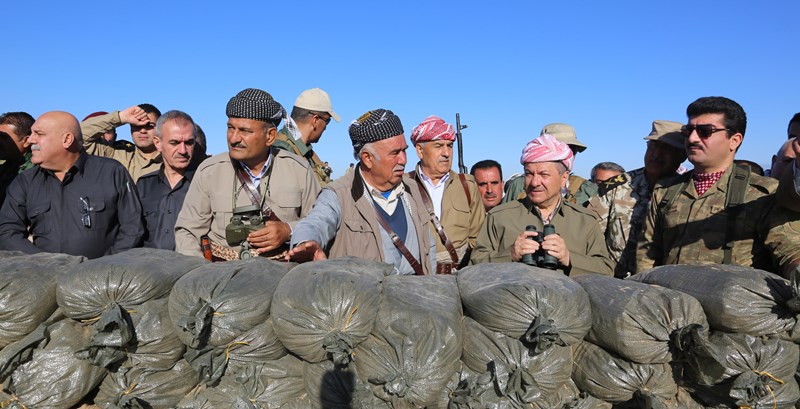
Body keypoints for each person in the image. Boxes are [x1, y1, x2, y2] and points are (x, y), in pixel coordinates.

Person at [637, 97, 800, 277]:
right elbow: (646, 255)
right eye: (689, 130)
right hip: (667, 293)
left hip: (732, 294)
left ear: (734, 140)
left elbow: (790, 251)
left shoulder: (762, 193)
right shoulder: (666, 191)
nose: (692, 138)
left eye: (705, 131)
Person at [174, 88, 320, 260]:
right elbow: (187, 232)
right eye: (230, 128)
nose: (234, 138)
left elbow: (319, 223)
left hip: (282, 271)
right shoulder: (209, 171)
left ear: (270, 136)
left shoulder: (299, 170)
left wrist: (288, 230)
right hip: (219, 272)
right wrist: (202, 271)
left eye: (245, 131)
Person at [288, 109, 436, 275]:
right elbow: (316, 222)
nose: (404, 159)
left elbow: (429, 248)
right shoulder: (339, 195)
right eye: (395, 153)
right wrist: (306, 241)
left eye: (404, 150)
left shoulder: (412, 189)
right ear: (367, 158)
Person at [0, 111, 144, 258]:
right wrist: (45, 262)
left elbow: (133, 228)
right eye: (31, 133)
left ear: (67, 139)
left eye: (39, 134)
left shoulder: (111, 172)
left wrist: (102, 266)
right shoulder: (25, 181)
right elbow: (7, 232)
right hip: (43, 271)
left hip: (104, 271)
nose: (31, 139)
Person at [471, 134, 613, 277]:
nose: (534, 182)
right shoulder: (499, 217)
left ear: (564, 178)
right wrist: (510, 254)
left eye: (544, 175)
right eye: (529, 174)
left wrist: (569, 258)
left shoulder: (585, 221)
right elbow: (473, 265)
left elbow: (606, 270)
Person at [586, 120, 686, 277]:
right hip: (612, 280)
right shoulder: (617, 186)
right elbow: (589, 233)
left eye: (666, 149)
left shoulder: (687, 191)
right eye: (652, 146)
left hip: (662, 282)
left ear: (682, 155)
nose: (656, 154)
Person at [406, 115, 484, 273]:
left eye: (450, 146)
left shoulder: (467, 185)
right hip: (416, 276)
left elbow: (479, 238)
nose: (446, 153)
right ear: (420, 150)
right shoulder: (404, 186)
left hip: (459, 274)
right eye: (438, 146)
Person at [136, 110, 197, 250]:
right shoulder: (144, 185)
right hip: (148, 262)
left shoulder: (205, 184)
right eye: (174, 143)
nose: (183, 150)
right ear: (158, 143)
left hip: (191, 262)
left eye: (189, 142)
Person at [503, 123, 597, 206]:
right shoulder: (519, 186)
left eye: (572, 150)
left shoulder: (586, 189)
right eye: (559, 150)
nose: (566, 155)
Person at [79, 104, 163, 182]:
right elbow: (78, 135)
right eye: (137, 126)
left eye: (150, 126)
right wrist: (121, 117)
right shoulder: (114, 155)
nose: (143, 131)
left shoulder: (168, 159)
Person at [273, 88, 340, 186]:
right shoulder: (282, 152)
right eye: (327, 121)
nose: (325, 128)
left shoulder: (305, 151)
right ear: (315, 120)